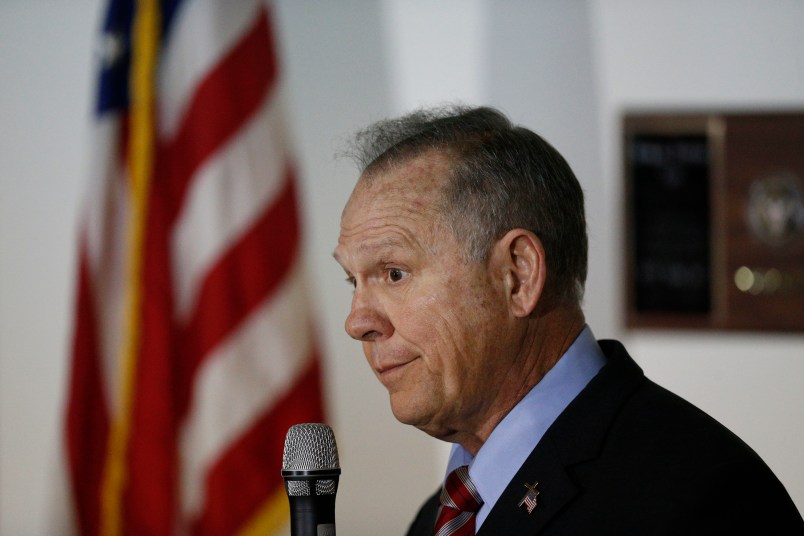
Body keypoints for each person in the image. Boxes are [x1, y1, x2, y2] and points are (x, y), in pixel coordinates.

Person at [332, 105, 803, 535]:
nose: (358, 322)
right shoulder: (439, 518)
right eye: (353, 281)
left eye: (394, 273)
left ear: (517, 275)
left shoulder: (699, 503)